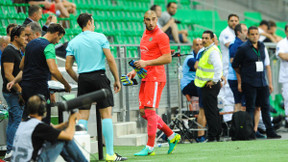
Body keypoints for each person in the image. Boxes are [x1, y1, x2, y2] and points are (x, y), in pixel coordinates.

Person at [65, 13, 126, 161]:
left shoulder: (73, 42)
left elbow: (67, 67)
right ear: (90, 22)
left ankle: (81, 153)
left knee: (83, 116)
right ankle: (110, 154)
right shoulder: (100, 37)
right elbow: (110, 59)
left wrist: (78, 80)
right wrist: (117, 79)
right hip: (99, 78)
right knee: (106, 115)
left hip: (84, 79)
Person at [128, 10, 180, 156]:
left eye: (153, 19)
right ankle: (171, 135)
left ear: (157, 19)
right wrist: (135, 71)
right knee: (144, 112)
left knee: (150, 111)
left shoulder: (161, 36)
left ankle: (150, 147)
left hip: (156, 77)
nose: (151, 23)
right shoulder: (145, 34)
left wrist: (146, 63)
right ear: (143, 20)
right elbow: (145, 57)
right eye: (147, 20)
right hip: (145, 75)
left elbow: (168, 58)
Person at [7, 24, 71, 125]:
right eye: (59, 38)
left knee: (27, 118)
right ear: (56, 34)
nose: (58, 41)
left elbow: (21, 66)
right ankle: (40, 140)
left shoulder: (31, 44)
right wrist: (66, 84)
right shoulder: (49, 46)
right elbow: (53, 70)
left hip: (26, 88)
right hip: (39, 88)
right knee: (42, 120)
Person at [232, 26, 281, 139]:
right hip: (249, 82)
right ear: (248, 35)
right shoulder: (243, 48)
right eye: (252, 34)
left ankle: (270, 131)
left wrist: (269, 82)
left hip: (262, 82)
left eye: (256, 34)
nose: (255, 36)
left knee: (265, 107)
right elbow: (235, 65)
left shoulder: (262, 46)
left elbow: (266, 65)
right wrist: (243, 75)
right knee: (250, 108)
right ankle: (249, 133)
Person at [12, 95, 87, 162]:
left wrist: (66, 124)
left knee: (59, 136)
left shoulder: (24, 123)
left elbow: (51, 129)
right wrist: (72, 119)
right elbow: (69, 136)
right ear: (42, 109)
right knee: (63, 139)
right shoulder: (39, 127)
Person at [228, 24, 267, 138]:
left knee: (257, 106)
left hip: (257, 80)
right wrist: (240, 81)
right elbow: (235, 64)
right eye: (246, 31)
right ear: (239, 33)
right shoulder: (237, 46)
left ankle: (254, 131)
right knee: (242, 106)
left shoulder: (259, 46)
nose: (248, 33)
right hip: (242, 80)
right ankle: (243, 131)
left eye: (256, 34)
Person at [1, 26, 26, 161]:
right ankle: (11, 151)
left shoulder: (16, 51)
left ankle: (11, 151)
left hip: (14, 92)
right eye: (23, 36)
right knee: (16, 121)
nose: (25, 38)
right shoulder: (10, 51)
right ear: (15, 37)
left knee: (14, 121)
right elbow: (8, 74)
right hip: (13, 92)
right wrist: (20, 90)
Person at [195, 30, 223, 142]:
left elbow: (218, 67)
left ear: (212, 39)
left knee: (210, 111)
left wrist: (214, 81)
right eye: (203, 38)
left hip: (210, 85)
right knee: (213, 110)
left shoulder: (212, 51)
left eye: (207, 38)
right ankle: (216, 134)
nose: (204, 40)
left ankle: (212, 136)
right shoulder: (207, 50)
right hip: (206, 85)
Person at [180, 38, 207, 142]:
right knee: (204, 90)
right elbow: (197, 65)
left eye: (201, 44)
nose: (199, 47)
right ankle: (201, 134)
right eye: (197, 45)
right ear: (193, 46)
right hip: (188, 85)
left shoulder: (202, 56)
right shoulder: (190, 58)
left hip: (196, 83)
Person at [275, 25, 288, 127]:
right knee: (287, 98)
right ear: (285, 32)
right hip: (286, 76)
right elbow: (282, 55)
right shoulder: (282, 43)